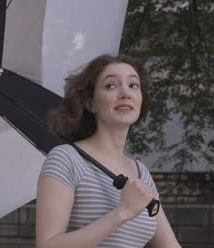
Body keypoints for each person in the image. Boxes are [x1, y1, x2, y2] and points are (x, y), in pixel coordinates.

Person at [36, 54, 182, 248]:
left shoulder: (140, 172)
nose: (125, 93)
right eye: (111, 86)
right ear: (90, 103)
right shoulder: (66, 159)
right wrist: (123, 213)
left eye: (133, 85)